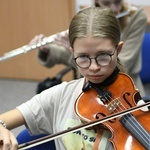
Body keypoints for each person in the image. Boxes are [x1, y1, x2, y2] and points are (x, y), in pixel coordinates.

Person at [0, 7, 149, 150]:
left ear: (118, 50)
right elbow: (4, 120)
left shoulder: (138, 109)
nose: (94, 67)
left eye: (103, 56)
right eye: (83, 57)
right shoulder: (60, 96)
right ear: (73, 53)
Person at [30, 0, 147, 96]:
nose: (115, 9)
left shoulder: (136, 17)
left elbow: (125, 61)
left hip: (126, 87)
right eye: (106, 3)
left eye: (117, 2)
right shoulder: (87, 17)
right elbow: (78, 56)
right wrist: (47, 50)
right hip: (89, 87)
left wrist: (76, 54)